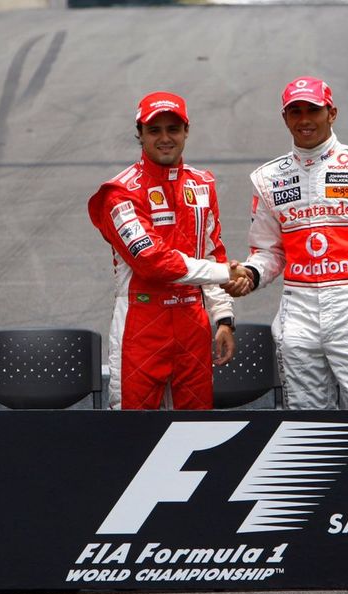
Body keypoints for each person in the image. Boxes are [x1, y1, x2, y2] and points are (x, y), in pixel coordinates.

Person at [230, 76, 348, 409]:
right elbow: (268, 251)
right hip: (298, 308)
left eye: (313, 110)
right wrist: (250, 273)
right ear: (285, 118)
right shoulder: (268, 179)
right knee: (306, 420)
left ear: (332, 113)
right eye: (295, 111)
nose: (304, 120)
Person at [88, 91, 251, 410]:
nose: (165, 138)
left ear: (186, 131)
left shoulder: (202, 185)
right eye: (154, 130)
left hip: (192, 321)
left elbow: (211, 251)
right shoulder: (119, 193)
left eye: (173, 129)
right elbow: (153, 261)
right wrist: (224, 273)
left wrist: (223, 317)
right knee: (133, 432)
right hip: (140, 322)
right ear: (140, 134)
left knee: (195, 429)